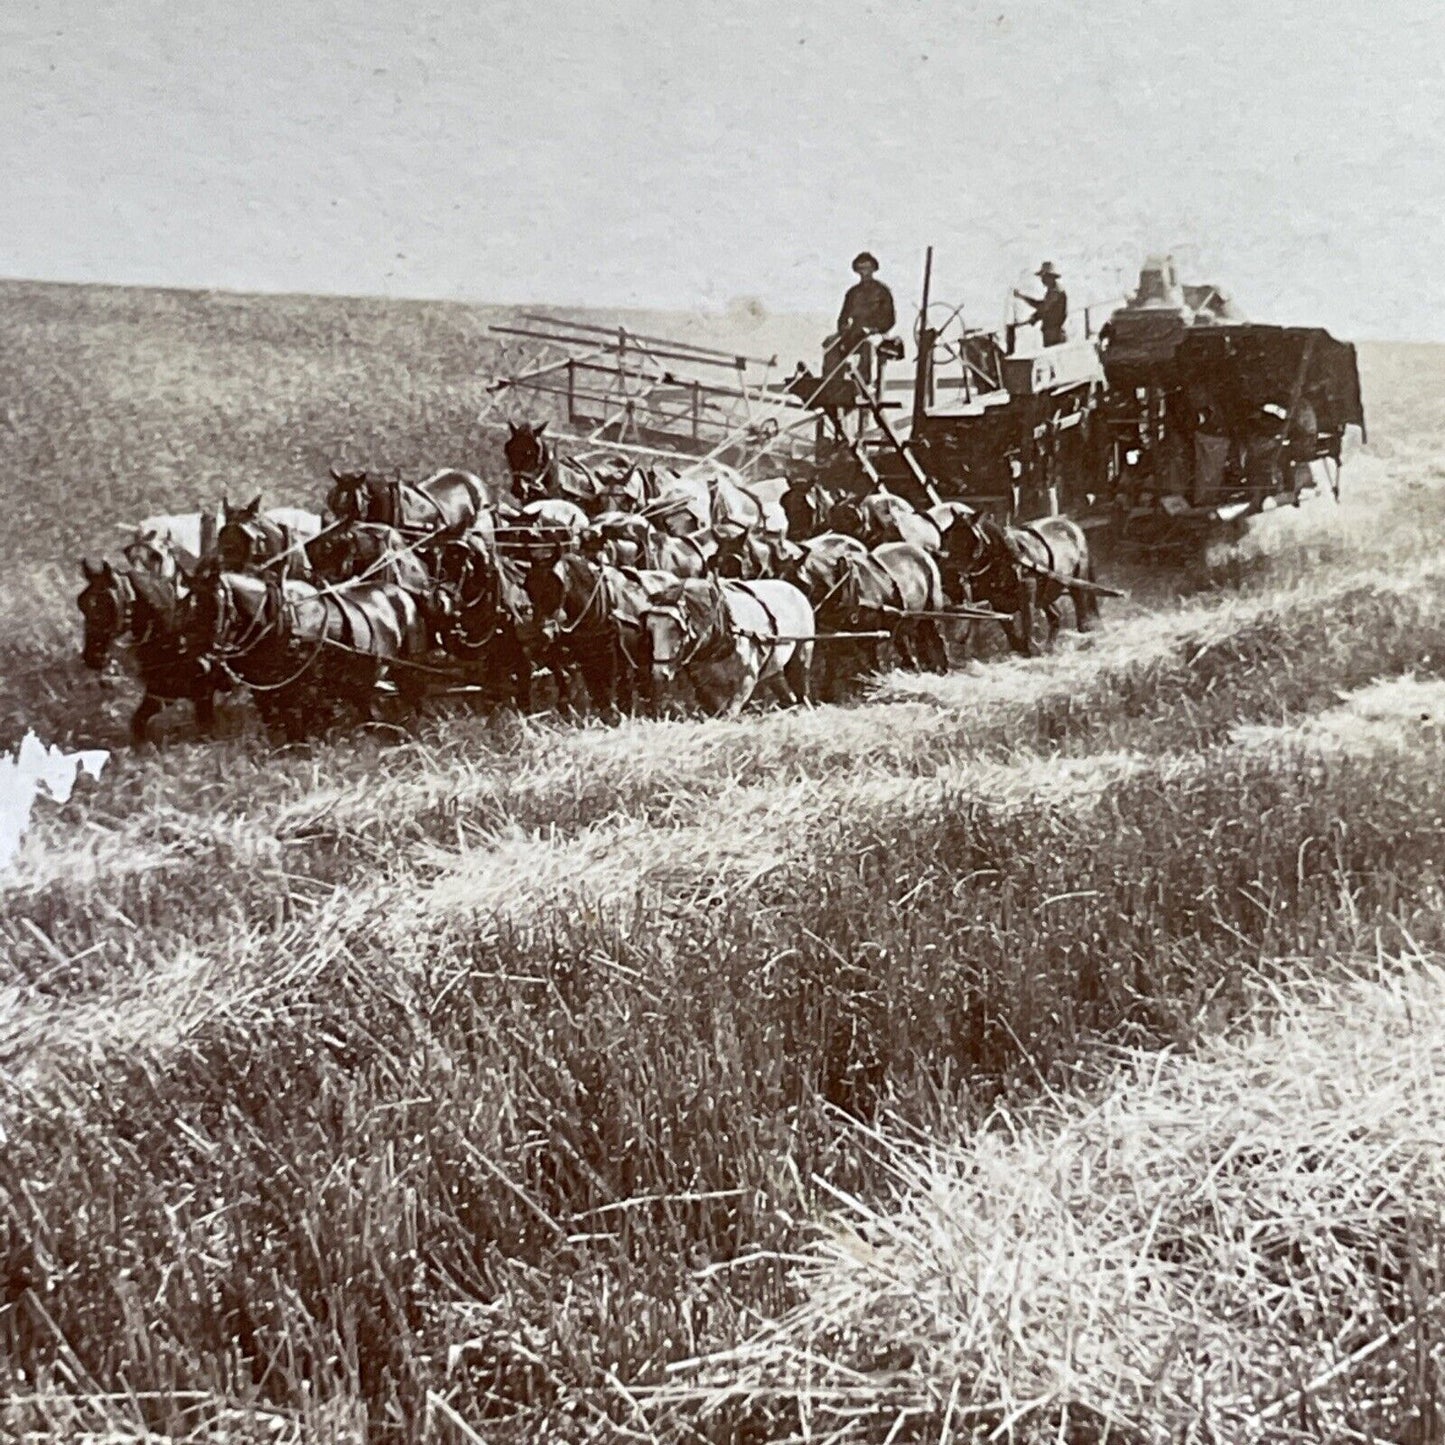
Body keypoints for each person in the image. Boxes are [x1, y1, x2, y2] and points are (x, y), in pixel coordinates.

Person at [833, 252, 896, 388]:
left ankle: (864, 386)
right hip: (855, 333)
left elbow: (890, 320)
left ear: (873, 269)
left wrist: (873, 329)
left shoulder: (882, 291)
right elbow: (843, 317)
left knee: (867, 345)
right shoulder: (853, 293)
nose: (864, 272)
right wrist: (843, 328)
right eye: (861, 268)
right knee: (831, 344)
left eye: (867, 268)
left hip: (877, 335)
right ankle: (832, 386)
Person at [1013, 262, 1069, 347]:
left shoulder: (1055, 292)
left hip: (1054, 335)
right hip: (1051, 333)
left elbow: (1042, 307)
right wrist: (1036, 317)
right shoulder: (1053, 291)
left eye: (1043, 276)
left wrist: (1022, 297)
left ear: (1050, 277)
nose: (1042, 279)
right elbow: (1047, 310)